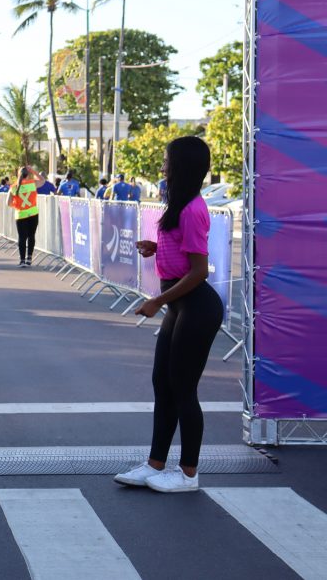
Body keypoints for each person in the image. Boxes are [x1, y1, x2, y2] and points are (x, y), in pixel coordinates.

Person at [116, 136, 223, 493]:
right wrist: (156, 247)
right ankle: (155, 464)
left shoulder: (194, 208)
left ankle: (188, 473)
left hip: (195, 306)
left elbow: (199, 272)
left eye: (168, 160)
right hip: (181, 305)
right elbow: (182, 253)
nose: (163, 165)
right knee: (163, 384)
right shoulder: (180, 205)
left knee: (183, 389)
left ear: (183, 166)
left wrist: (157, 302)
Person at [9, 165, 46, 267]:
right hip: (33, 214)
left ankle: (22, 260)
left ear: (18, 174)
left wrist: (17, 206)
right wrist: (33, 171)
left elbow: (9, 203)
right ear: (27, 174)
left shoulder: (13, 187)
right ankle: (29, 258)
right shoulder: (32, 184)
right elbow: (43, 180)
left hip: (20, 215)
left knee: (22, 237)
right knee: (31, 236)